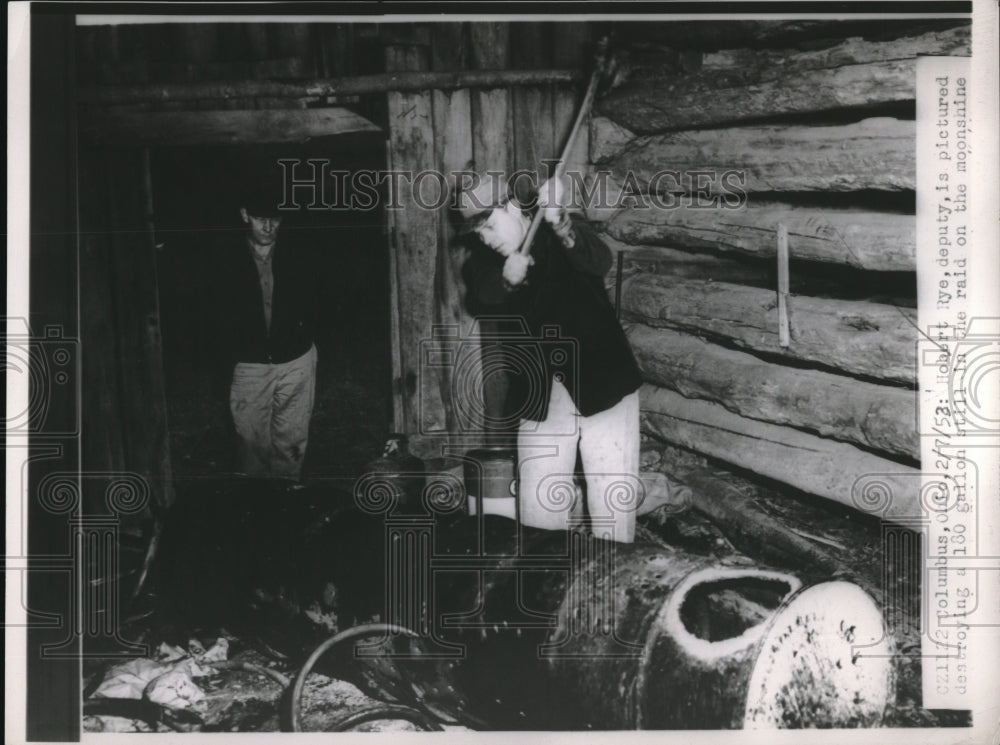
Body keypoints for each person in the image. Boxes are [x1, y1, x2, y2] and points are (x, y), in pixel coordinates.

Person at [456, 171, 642, 543]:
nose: (482, 234)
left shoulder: (559, 232)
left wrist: (561, 222)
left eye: (488, 222)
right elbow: (485, 294)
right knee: (538, 513)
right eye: (475, 227)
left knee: (612, 502)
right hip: (540, 399)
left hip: (603, 384)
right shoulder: (482, 261)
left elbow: (600, 260)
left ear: (513, 209)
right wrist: (508, 280)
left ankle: (616, 580)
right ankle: (545, 591)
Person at [215, 178, 320, 481]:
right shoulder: (225, 256)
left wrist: (304, 336)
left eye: (275, 219)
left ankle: (288, 502)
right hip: (249, 364)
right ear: (245, 214)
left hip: (296, 360)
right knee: (250, 446)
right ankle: (257, 512)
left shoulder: (299, 251)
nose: (269, 227)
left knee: (292, 442)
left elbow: (319, 297)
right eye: (261, 219)